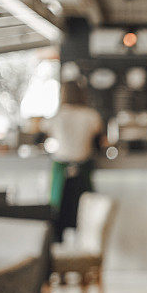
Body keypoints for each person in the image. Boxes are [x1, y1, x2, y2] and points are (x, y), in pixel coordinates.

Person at [43, 80, 103, 241]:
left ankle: (59, 247)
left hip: (61, 169)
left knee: (57, 213)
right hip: (83, 168)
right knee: (84, 214)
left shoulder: (55, 117)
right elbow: (99, 144)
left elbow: (40, 137)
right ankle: (82, 248)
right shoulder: (92, 116)